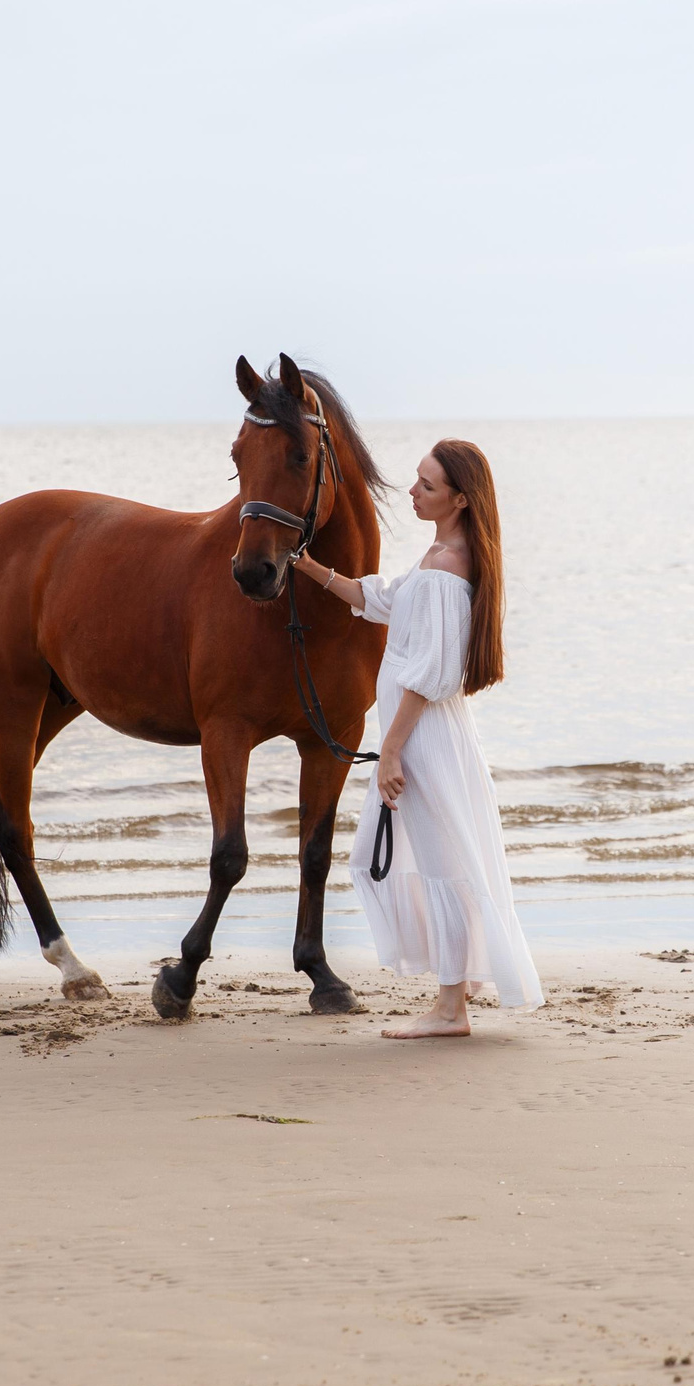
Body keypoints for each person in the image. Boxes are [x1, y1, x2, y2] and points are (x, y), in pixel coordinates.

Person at [294, 440, 545, 1036]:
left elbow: (430, 676)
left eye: (427, 486)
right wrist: (306, 566)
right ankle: (458, 987)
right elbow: (379, 600)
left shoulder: (446, 569)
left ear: (460, 500)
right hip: (425, 736)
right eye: (417, 479)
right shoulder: (438, 558)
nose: (411, 491)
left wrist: (391, 752)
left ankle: (450, 1009)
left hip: (423, 739)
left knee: (439, 866)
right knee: (429, 860)